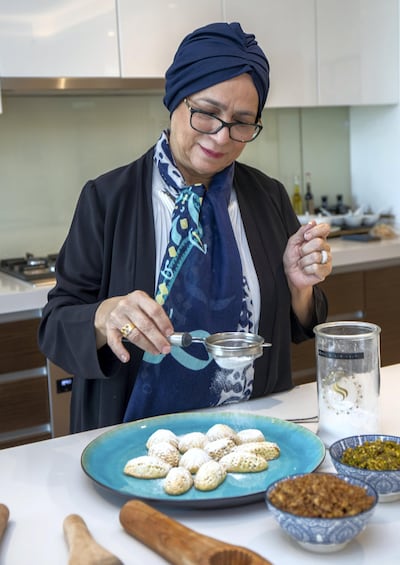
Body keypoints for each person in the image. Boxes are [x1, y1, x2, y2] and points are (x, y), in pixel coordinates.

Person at [38, 22, 332, 433]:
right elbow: (54, 326)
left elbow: (294, 328)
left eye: (242, 122)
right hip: (133, 443)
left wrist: (298, 287)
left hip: (251, 436)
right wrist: (107, 316)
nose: (221, 137)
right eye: (207, 113)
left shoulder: (267, 197)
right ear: (176, 99)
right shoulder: (108, 199)